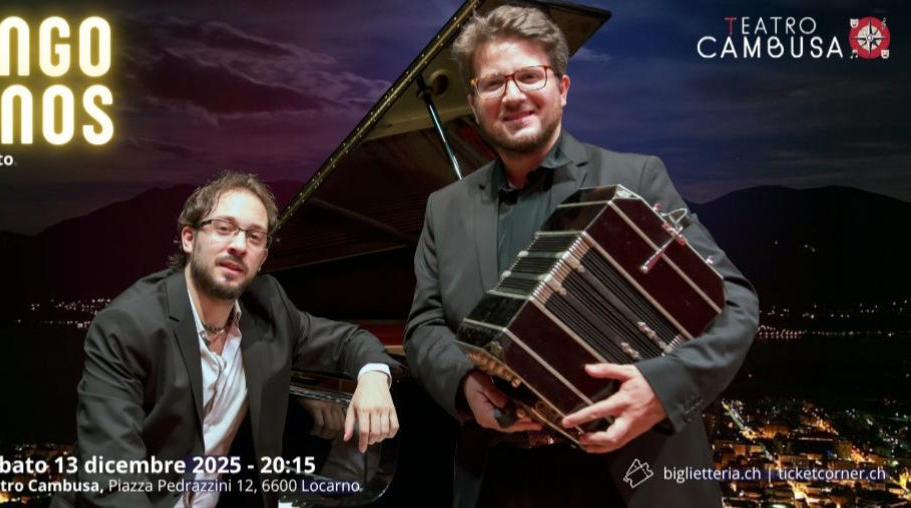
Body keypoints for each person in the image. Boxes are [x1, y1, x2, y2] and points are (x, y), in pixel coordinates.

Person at [403, 6, 759, 507]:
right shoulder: (444, 209)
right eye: (493, 83)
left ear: (563, 88)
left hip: (634, 478)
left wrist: (661, 389)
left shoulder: (636, 179)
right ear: (474, 103)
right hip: (500, 479)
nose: (513, 95)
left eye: (530, 76)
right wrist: (463, 384)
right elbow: (424, 325)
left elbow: (734, 303)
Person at [63, 171, 400, 508]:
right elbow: (113, 483)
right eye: (224, 228)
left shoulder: (268, 306)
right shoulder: (127, 326)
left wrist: (373, 377)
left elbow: (347, 340)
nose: (239, 245)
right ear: (189, 239)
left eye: (254, 236)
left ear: (262, 258)